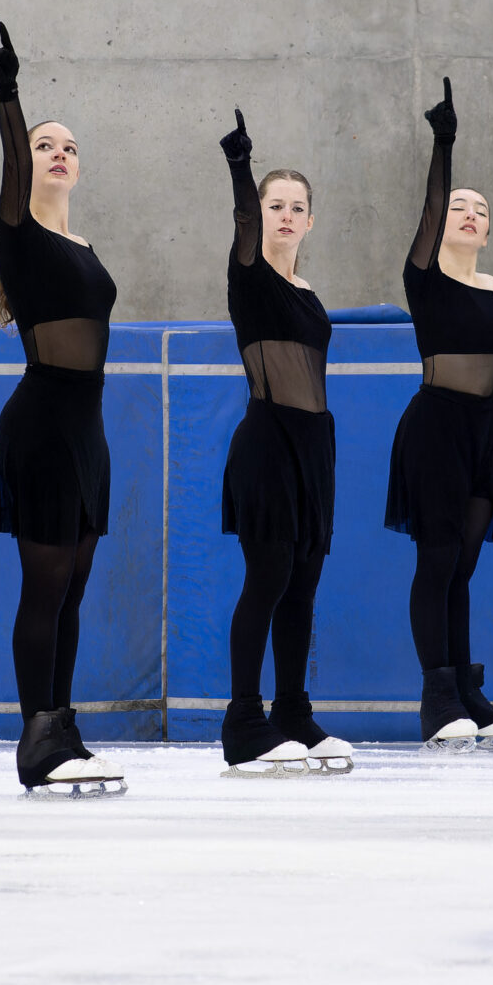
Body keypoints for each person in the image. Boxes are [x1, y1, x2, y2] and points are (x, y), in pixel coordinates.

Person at [0, 25, 126, 797]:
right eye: (46, 145)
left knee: (73, 586)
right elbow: (11, 163)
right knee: (44, 585)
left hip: (86, 432)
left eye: (70, 146)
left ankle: (61, 725)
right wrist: (10, 94)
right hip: (41, 423)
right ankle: (35, 737)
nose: (59, 153)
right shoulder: (18, 229)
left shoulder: (84, 243)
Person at [386, 79, 493, 750]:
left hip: (481, 436)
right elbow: (431, 203)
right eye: (459, 206)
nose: (470, 214)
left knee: (463, 567)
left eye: (481, 210)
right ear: (441, 221)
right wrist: (444, 143)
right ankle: (436, 697)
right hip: (435, 428)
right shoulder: (424, 274)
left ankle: (466, 691)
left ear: (490, 230)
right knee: (438, 560)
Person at [216, 111, 350, 775]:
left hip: (315, 448)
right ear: (260, 214)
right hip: (267, 442)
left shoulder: (308, 289)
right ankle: (244, 722)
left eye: (298, 207)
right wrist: (241, 167)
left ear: (311, 220)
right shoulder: (249, 272)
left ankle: (293, 711)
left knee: (302, 586)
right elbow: (244, 222)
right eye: (276, 206)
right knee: (267, 578)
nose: (286, 216)